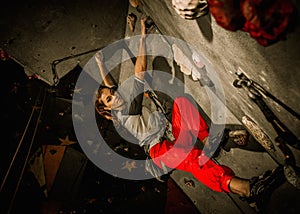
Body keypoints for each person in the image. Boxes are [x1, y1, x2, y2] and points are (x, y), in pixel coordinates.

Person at [94, 16, 285, 212]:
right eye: (109, 100)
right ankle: (247, 190)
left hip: (171, 137)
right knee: (195, 161)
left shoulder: (119, 103)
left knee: (181, 103)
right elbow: (140, 71)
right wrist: (142, 35)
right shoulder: (126, 112)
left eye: (112, 94)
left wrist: (101, 65)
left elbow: (109, 85)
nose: (115, 96)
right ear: (107, 109)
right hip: (159, 152)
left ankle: (209, 140)